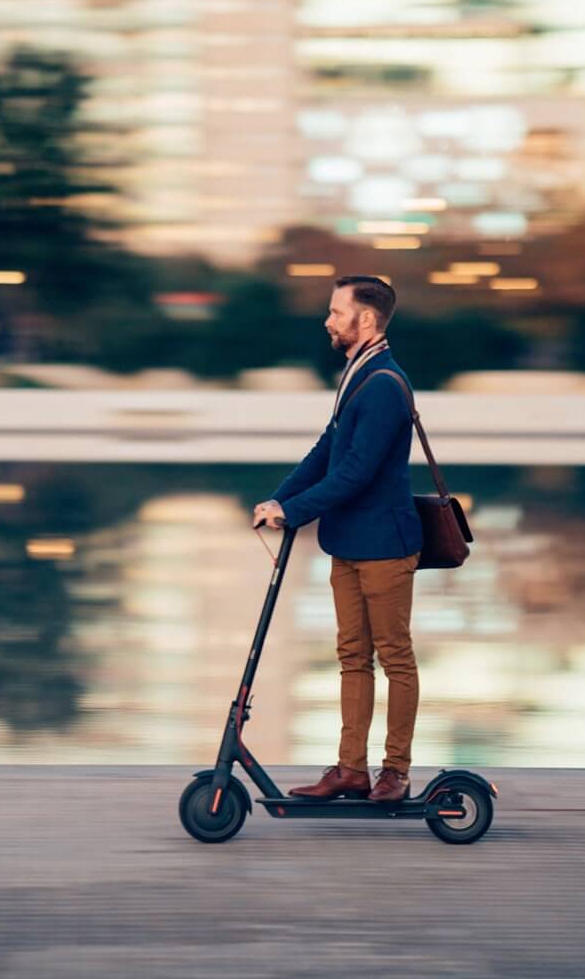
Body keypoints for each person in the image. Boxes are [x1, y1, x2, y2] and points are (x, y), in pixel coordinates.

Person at [251, 275, 422, 803]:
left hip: (386, 547)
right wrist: (277, 500)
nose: (327, 320)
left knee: (395, 657)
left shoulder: (386, 384)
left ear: (365, 319)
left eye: (335, 311)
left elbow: (356, 472)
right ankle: (351, 770)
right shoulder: (359, 374)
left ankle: (395, 771)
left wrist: (296, 510)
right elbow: (325, 450)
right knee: (352, 656)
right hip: (347, 541)